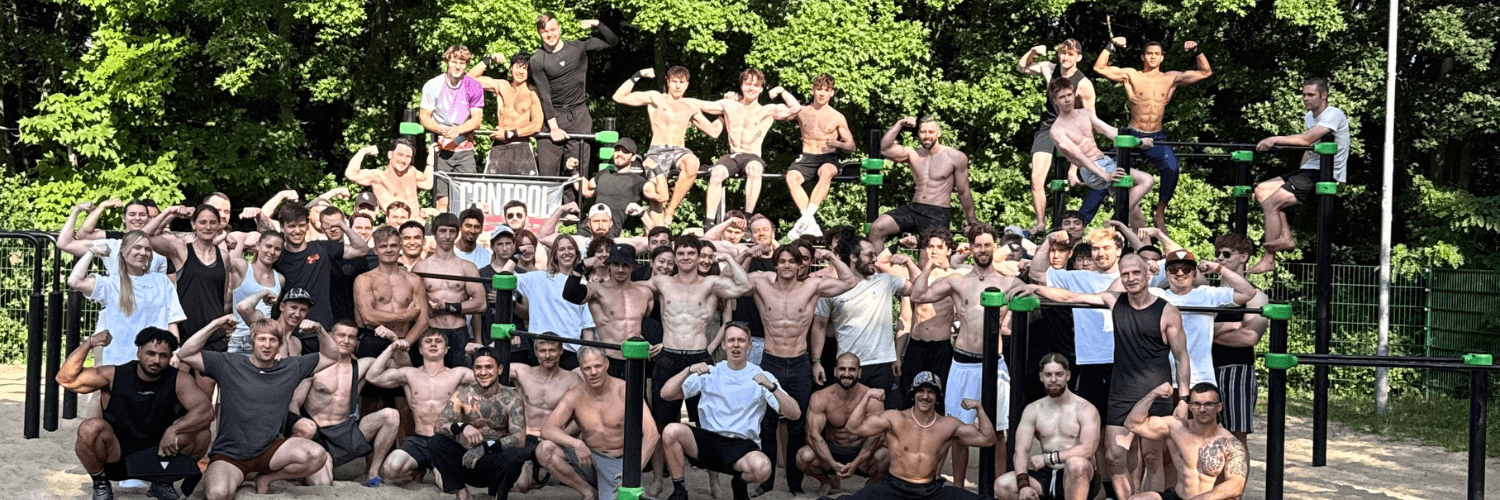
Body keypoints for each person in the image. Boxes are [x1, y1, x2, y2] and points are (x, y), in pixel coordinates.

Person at [1028, 254, 1190, 500]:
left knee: (1152, 456)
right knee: (1115, 455)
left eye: (1136, 273)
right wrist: (1035, 288)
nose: (1131, 278)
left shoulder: (1167, 311)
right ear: (1120, 277)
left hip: (1155, 392)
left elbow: (1182, 356)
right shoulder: (1114, 300)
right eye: (1125, 274)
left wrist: (1184, 398)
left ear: (1147, 274)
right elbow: (1071, 297)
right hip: (1122, 392)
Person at [911, 223, 1026, 488]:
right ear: (970, 248)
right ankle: (958, 488)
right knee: (957, 430)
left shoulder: (1009, 282)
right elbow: (918, 294)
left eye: (987, 245)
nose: (983, 250)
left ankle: (999, 487)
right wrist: (929, 265)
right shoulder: (957, 281)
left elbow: (1033, 294)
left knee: (998, 430)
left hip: (993, 363)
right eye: (978, 245)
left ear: (994, 246)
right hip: (963, 361)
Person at [180, 314, 338, 500]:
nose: (267, 345)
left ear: (280, 344)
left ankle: (266, 479)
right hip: (230, 455)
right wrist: (215, 324)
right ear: (252, 342)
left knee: (317, 455)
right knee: (217, 494)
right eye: (262, 339)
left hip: (270, 451)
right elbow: (185, 354)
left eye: (273, 340)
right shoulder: (229, 363)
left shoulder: (291, 367)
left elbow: (332, 356)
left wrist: (319, 330)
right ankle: (237, 476)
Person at [744, 244, 857, 495]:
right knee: (767, 425)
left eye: (791, 261)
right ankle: (766, 482)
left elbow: (849, 282)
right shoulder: (761, 285)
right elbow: (737, 282)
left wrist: (831, 256)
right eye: (782, 261)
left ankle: (794, 484)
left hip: (798, 363)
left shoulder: (812, 286)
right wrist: (747, 254)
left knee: (797, 426)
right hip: (770, 362)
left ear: (799, 265)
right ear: (775, 264)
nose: (786, 265)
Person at [58, 328, 214, 500]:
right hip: (116, 456)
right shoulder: (114, 375)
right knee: (89, 428)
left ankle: (163, 481)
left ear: (170, 357)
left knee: (202, 434)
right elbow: (66, 379)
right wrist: (88, 344)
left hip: (159, 454)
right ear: (139, 352)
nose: (156, 360)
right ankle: (100, 483)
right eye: (150, 353)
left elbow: (206, 410)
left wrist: (174, 429)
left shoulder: (179, 379)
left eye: (163, 355)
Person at [660, 324, 802, 500]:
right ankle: (680, 492)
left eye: (741, 340)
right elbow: (666, 394)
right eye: (731, 340)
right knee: (671, 431)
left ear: (749, 345)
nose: (736, 345)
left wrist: (772, 387)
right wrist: (687, 370)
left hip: (741, 445)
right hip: (709, 441)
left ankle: (739, 483)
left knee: (763, 468)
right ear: (723, 345)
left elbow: (795, 414)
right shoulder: (711, 372)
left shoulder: (761, 375)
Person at [1092, 38, 1213, 231]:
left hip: (1156, 136)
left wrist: (1197, 49)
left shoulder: (1170, 78)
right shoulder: (1132, 75)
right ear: (1143, 57)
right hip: (1133, 135)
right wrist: (1111, 45)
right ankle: (1086, 219)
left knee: (1172, 168)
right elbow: (1099, 68)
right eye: (1149, 54)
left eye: (1157, 54)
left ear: (1162, 58)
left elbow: (1205, 72)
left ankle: (1160, 212)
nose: (1153, 57)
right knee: (1106, 172)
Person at [841, 371, 997, 500]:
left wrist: (979, 408)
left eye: (931, 392)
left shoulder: (948, 424)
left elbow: (988, 439)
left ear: (937, 397)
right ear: (913, 394)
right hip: (895, 487)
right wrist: (867, 395)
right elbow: (853, 427)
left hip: (931, 491)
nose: (925, 396)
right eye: (920, 391)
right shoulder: (895, 418)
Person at [1250, 77, 1351, 274]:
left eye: (1311, 95)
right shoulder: (1310, 117)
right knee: (1261, 190)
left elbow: (1307, 140)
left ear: (1324, 95)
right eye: (1304, 94)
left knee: (1271, 203)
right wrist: (1298, 174)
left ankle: (1269, 259)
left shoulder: (1333, 114)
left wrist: (1274, 139)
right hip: (1309, 170)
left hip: (1325, 173)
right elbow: (1308, 149)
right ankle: (1286, 238)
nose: (1306, 98)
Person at [286, 321, 401, 487]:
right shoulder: (314, 365)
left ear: (356, 342)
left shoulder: (362, 365)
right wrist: (303, 435)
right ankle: (308, 468)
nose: (346, 341)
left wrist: (394, 340)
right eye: (341, 335)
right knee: (322, 484)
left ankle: (372, 473)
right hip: (318, 435)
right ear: (330, 336)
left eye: (351, 337)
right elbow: (294, 404)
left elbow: (403, 367)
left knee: (391, 415)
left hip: (346, 432)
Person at [539, 347, 661, 500]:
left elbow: (652, 434)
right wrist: (576, 443)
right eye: (587, 368)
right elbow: (547, 429)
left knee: (623, 497)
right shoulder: (575, 394)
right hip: (589, 458)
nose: (593, 372)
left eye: (597, 366)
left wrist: (633, 472)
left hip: (618, 462)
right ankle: (588, 492)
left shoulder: (625, 390)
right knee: (545, 449)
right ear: (581, 369)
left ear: (607, 364)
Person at [366, 330, 477, 485]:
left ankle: (436, 468)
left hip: (444, 440)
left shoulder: (459, 374)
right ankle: (420, 467)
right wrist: (392, 348)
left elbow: (490, 379)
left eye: (438, 341)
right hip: (418, 440)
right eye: (428, 341)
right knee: (390, 469)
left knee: (446, 485)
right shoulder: (409, 374)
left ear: (446, 349)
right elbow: (372, 376)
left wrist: (480, 352)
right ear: (420, 349)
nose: (433, 344)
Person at [814, 237, 913, 409]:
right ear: (853, 257)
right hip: (848, 365)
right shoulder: (832, 288)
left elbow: (919, 291)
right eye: (870, 255)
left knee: (880, 418)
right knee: (847, 416)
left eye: (875, 254)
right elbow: (819, 327)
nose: (875, 259)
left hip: (881, 364)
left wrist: (910, 264)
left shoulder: (885, 281)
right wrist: (817, 361)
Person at [612, 66, 719, 224]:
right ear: (668, 82)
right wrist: (638, 74)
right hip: (658, 150)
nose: (677, 86)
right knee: (657, 194)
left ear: (687, 85)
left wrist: (726, 114)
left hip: (680, 150)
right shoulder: (655, 98)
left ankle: (670, 211)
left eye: (681, 82)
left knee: (693, 163)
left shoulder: (690, 106)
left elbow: (714, 132)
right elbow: (619, 97)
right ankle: (657, 231)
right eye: (674, 81)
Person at [1046, 77, 1156, 229]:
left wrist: (1139, 141)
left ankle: (1138, 241)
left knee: (1136, 216)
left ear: (1074, 94)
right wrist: (1104, 175)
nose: (1067, 100)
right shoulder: (1057, 130)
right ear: (1055, 100)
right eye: (1062, 97)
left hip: (1105, 162)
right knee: (1147, 180)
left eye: (1069, 95)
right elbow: (1079, 156)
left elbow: (1110, 131)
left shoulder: (1085, 113)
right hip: (1092, 170)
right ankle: (1113, 222)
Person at [697, 69, 802, 224]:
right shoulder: (729, 105)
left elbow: (796, 108)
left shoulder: (767, 110)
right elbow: (700, 105)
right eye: (747, 84)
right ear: (741, 86)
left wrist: (781, 90)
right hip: (733, 155)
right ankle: (709, 223)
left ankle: (747, 219)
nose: (751, 88)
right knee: (717, 173)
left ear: (761, 89)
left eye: (755, 85)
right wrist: (677, 101)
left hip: (752, 156)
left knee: (755, 169)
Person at [69, 231, 186, 366]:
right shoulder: (110, 284)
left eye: (147, 249)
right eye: (137, 247)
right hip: (118, 361)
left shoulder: (162, 281)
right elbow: (74, 281)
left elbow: (171, 320)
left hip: (155, 361)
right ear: (123, 251)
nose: (143, 253)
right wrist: (91, 252)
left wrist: (175, 351)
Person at [994, 354, 1101, 500]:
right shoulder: (1033, 409)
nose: (1053, 379)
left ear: (1068, 375)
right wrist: (1023, 485)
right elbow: (1021, 451)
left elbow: (1088, 449)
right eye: (1048, 375)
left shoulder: (1085, 409)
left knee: (1076, 463)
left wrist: (1047, 459)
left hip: (1078, 474)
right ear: (1041, 377)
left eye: (1059, 374)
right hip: (1048, 474)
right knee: (1002, 485)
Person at [1147, 249, 1258, 390]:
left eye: (1186, 269)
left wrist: (1218, 268)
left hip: (1200, 379)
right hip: (1162, 380)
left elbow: (1248, 292)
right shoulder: (1155, 295)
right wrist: (1146, 270)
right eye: (1173, 269)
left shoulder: (1207, 294)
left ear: (1194, 274)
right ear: (1166, 273)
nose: (1180, 273)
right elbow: (1123, 290)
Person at [1018, 39, 1096, 235]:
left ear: (1078, 57)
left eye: (1070, 54)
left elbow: (1090, 122)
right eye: (1062, 53)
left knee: (1076, 176)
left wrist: (1074, 167)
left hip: (1072, 130)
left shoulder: (1084, 84)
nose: (1065, 57)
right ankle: (1040, 223)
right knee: (1036, 177)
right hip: (1048, 127)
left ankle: (1074, 223)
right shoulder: (1049, 69)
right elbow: (1021, 67)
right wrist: (1033, 51)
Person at [430, 347, 529, 500]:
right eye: (478, 367)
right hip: (466, 460)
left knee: (514, 456)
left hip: (495, 463)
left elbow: (519, 439)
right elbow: (439, 426)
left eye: (489, 367)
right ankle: (462, 493)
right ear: (473, 370)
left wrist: (485, 446)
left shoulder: (512, 398)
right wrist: (462, 426)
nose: (483, 372)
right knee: (436, 442)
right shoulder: (463, 395)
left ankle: (499, 496)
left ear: (500, 369)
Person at [1123, 383, 1247, 500]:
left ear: (1219, 407)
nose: (1202, 409)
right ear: (1190, 406)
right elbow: (1133, 424)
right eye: (1196, 404)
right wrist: (1153, 394)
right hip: (1178, 496)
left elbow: (1236, 485)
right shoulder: (1176, 427)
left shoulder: (1230, 443)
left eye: (1208, 404)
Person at [531, 15, 618, 180]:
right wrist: (553, 128)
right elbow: (544, 95)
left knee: (577, 171)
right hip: (552, 117)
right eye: (545, 32)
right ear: (539, 34)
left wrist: (597, 24)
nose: (550, 35)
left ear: (559, 29)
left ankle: (575, 198)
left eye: (552, 30)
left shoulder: (577, 47)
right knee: (548, 174)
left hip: (579, 115)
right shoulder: (537, 60)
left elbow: (612, 42)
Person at [869, 116, 978, 245]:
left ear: (938, 133)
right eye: (923, 132)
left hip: (937, 213)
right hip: (915, 209)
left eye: (931, 132)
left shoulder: (955, 157)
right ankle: (877, 259)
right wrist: (900, 123)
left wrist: (971, 221)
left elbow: (963, 191)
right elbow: (884, 149)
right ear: (918, 134)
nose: (926, 136)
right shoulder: (912, 153)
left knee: (928, 255)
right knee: (876, 229)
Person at [143, 205, 231, 354]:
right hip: (186, 336)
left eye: (212, 222)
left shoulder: (224, 256)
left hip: (215, 337)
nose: (208, 227)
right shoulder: (181, 251)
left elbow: (225, 298)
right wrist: (170, 212)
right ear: (193, 224)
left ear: (218, 225)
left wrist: (226, 325)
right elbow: (143, 236)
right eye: (202, 222)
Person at [798, 353, 890, 496]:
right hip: (832, 450)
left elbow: (877, 436)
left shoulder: (872, 397)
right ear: (835, 371)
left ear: (859, 372)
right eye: (842, 369)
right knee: (803, 456)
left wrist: (856, 462)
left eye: (852, 369)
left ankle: (869, 486)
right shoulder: (821, 397)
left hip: (862, 453)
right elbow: (813, 436)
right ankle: (826, 482)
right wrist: (832, 463)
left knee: (885, 455)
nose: (846, 374)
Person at [895, 228, 964, 409]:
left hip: (941, 347)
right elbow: (905, 318)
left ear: (948, 250)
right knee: (908, 397)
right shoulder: (916, 277)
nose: (934, 251)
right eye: (930, 246)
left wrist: (969, 251)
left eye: (939, 247)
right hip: (916, 346)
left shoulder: (956, 278)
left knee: (940, 399)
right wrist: (898, 356)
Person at [269, 204, 369, 329]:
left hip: (321, 327)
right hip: (288, 329)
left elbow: (362, 249)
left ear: (307, 226)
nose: (297, 230)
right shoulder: (276, 255)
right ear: (282, 228)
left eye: (301, 225)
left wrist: (342, 225)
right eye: (292, 226)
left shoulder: (322, 248)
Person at [564, 244, 656, 377]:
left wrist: (658, 344)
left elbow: (660, 319)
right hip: (610, 359)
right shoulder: (597, 290)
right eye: (616, 264)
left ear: (633, 266)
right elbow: (569, 294)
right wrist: (580, 266)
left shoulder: (644, 293)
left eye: (625, 265)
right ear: (609, 265)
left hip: (638, 358)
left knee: (640, 391)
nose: (620, 269)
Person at [786, 74, 855, 239]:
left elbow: (851, 146)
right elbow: (777, 113)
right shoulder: (802, 111)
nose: (822, 93)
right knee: (791, 177)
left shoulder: (837, 116)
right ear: (813, 90)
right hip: (807, 156)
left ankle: (804, 221)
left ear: (832, 93)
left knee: (827, 172)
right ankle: (811, 224)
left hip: (828, 157)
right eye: (819, 89)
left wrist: (838, 144)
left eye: (826, 90)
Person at [414, 213, 488, 367]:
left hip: (458, 332)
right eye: (443, 231)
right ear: (434, 234)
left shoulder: (467, 267)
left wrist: (448, 306)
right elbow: (413, 304)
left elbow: (481, 304)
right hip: (430, 331)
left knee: (460, 378)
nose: (447, 236)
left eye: (452, 231)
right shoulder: (421, 267)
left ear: (457, 234)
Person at [420, 45, 486, 213]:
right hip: (441, 150)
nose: (457, 66)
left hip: (465, 149)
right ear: (447, 62)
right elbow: (424, 117)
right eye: (454, 62)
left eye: (462, 63)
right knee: (442, 201)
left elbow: (477, 119)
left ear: (467, 65)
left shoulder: (474, 86)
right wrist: (440, 129)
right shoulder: (432, 85)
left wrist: (458, 130)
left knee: (468, 200)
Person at [516, 233, 595, 369]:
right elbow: (501, 277)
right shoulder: (537, 278)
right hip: (540, 350)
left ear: (576, 253)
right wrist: (516, 254)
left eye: (570, 248)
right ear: (555, 255)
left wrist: (588, 357)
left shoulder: (584, 285)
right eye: (561, 249)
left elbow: (587, 326)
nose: (566, 252)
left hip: (570, 351)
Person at [468, 52, 545, 175]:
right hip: (499, 147)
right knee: (494, 185)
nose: (521, 71)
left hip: (521, 148)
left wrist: (508, 134)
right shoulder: (501, 86)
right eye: (518, 67)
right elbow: (469, 79)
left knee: (523, 186)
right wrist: (490, 58)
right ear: (511, 69)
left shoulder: (533, 93)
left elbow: (536, 125)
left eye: (525, 68)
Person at [578, 137, 669, 237]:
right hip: (585, 230)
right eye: (617, 150)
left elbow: (662, 196)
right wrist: (573, 170)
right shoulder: (604, 173)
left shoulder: (637, 180)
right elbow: (586, 191)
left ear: (633, 157)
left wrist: (656, 168)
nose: (620, 154)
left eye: (625, 151)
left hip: (608, 235)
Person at [59, 200, 171, 276]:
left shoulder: (160, 248)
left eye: (142, 215)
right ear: (123, 218)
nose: (137, 218)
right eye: (132, 214)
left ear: (148, 218)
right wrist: (77, 210)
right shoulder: (113, 244)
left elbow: (168, 284)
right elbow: (68, 242)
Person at [227, 231, 285, 354]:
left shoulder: (280, 279)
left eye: (277, 249)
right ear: (258, 245)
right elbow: (219, 258)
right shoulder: (242, 267)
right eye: (268, 246)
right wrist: (226, 235)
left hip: (265, 340)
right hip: (239, 338)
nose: (272, 252)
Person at [344, 139, 434, 214]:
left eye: (408, 157)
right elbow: (351, 174)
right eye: (400, 155)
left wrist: (431, 156)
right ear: (390, 154)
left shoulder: (412, 172)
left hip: (418, 225)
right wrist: (364, 151)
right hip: (397, 226)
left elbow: (428, 184)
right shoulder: (379, 177)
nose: (403, 160)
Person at [233, 288, 317, 360]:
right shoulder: (267, 326)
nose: (297, 314)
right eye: (293, 307)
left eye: (303, 310)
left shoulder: (297, 343)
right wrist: (265, 292)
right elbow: (243, 307)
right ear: (282, 307)